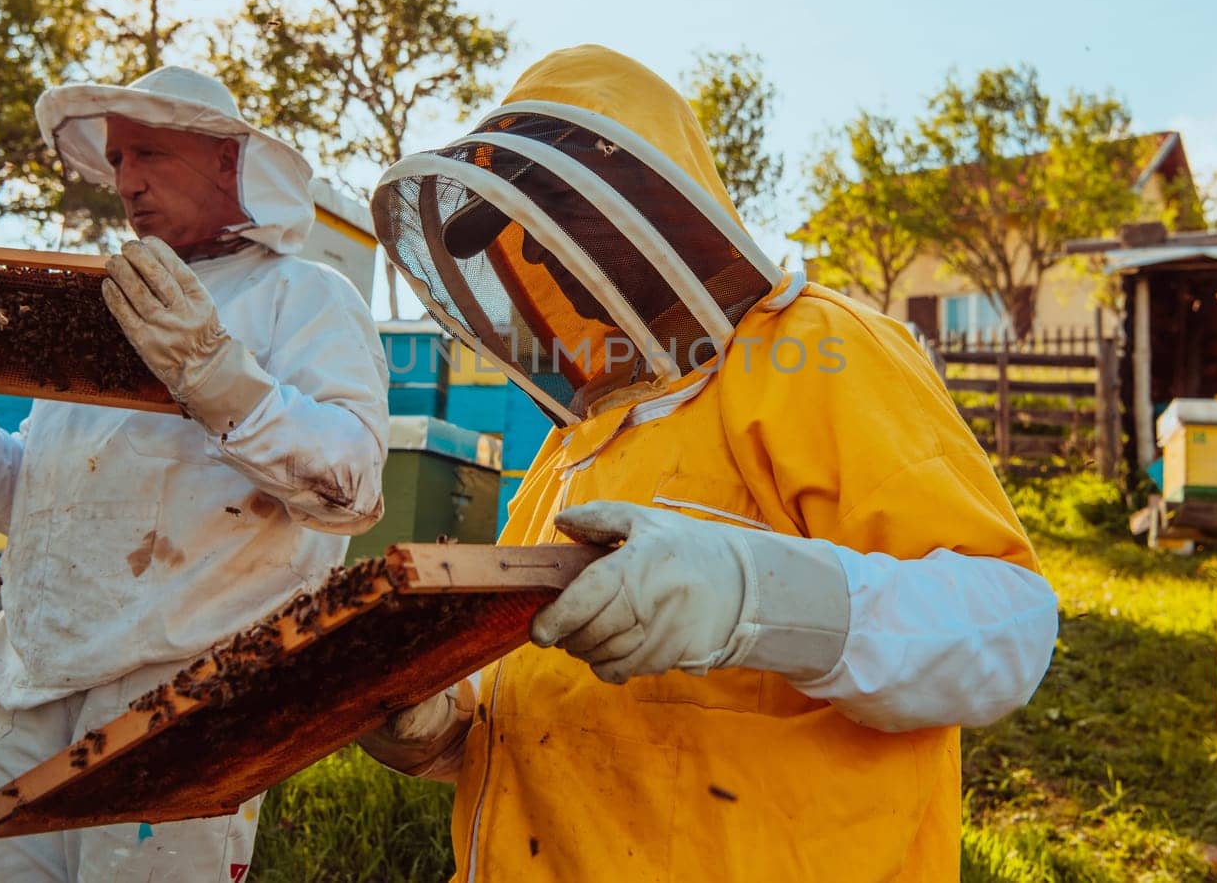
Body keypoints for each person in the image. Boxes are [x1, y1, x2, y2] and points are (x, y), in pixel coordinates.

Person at [362, 45, 1059, 881]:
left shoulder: (821, 350)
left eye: (565, 210)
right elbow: (541, 706)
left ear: (654, 195)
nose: (543, 255)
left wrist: (751, 595)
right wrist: (446, 719)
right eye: (523, 237)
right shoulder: (570, 446)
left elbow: (1009, 627)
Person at [0, 66, 390, 881]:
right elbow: (39, 505)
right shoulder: (111, 305)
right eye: (116, 160)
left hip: (188, 695)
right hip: (36, 683)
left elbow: (352, 486)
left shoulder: (303, 297)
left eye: (147, 152)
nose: (126, 181)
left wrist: (214, 373)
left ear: (228, 162)